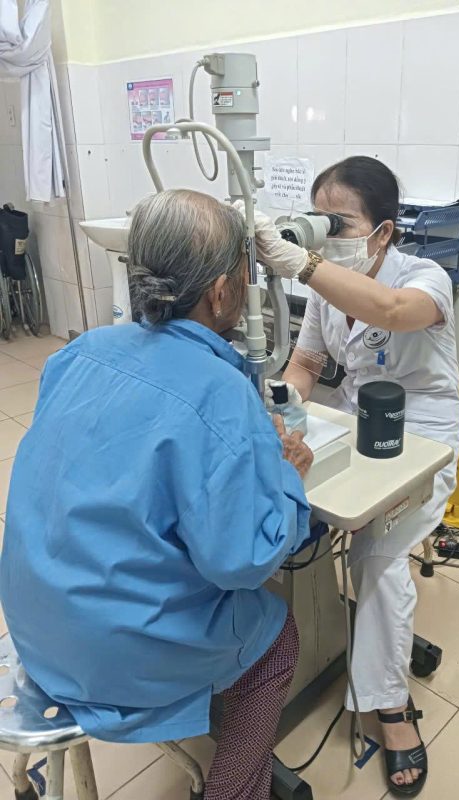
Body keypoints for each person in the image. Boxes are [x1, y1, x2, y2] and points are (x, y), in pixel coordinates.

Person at [0, 189, 314, 800]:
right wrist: (285, 474)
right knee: (277, 637)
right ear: (222, 292)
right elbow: (242, 562)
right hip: (109, 656)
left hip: (33, 623)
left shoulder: (82, 351)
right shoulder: (220, 391)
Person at [252, 156, 459, 797]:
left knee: (379, 555)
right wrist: (284, 402)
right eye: (316, 221)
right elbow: (308, 362)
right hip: (356, 418)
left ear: (383, 231)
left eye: (337, 223)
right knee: (298, 502)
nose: (324, 235)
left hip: (422, 431)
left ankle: (391, 707)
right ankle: (305, 638)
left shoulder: (423, 278)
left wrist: (306, 264)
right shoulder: (327, 288)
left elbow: (394, 312)